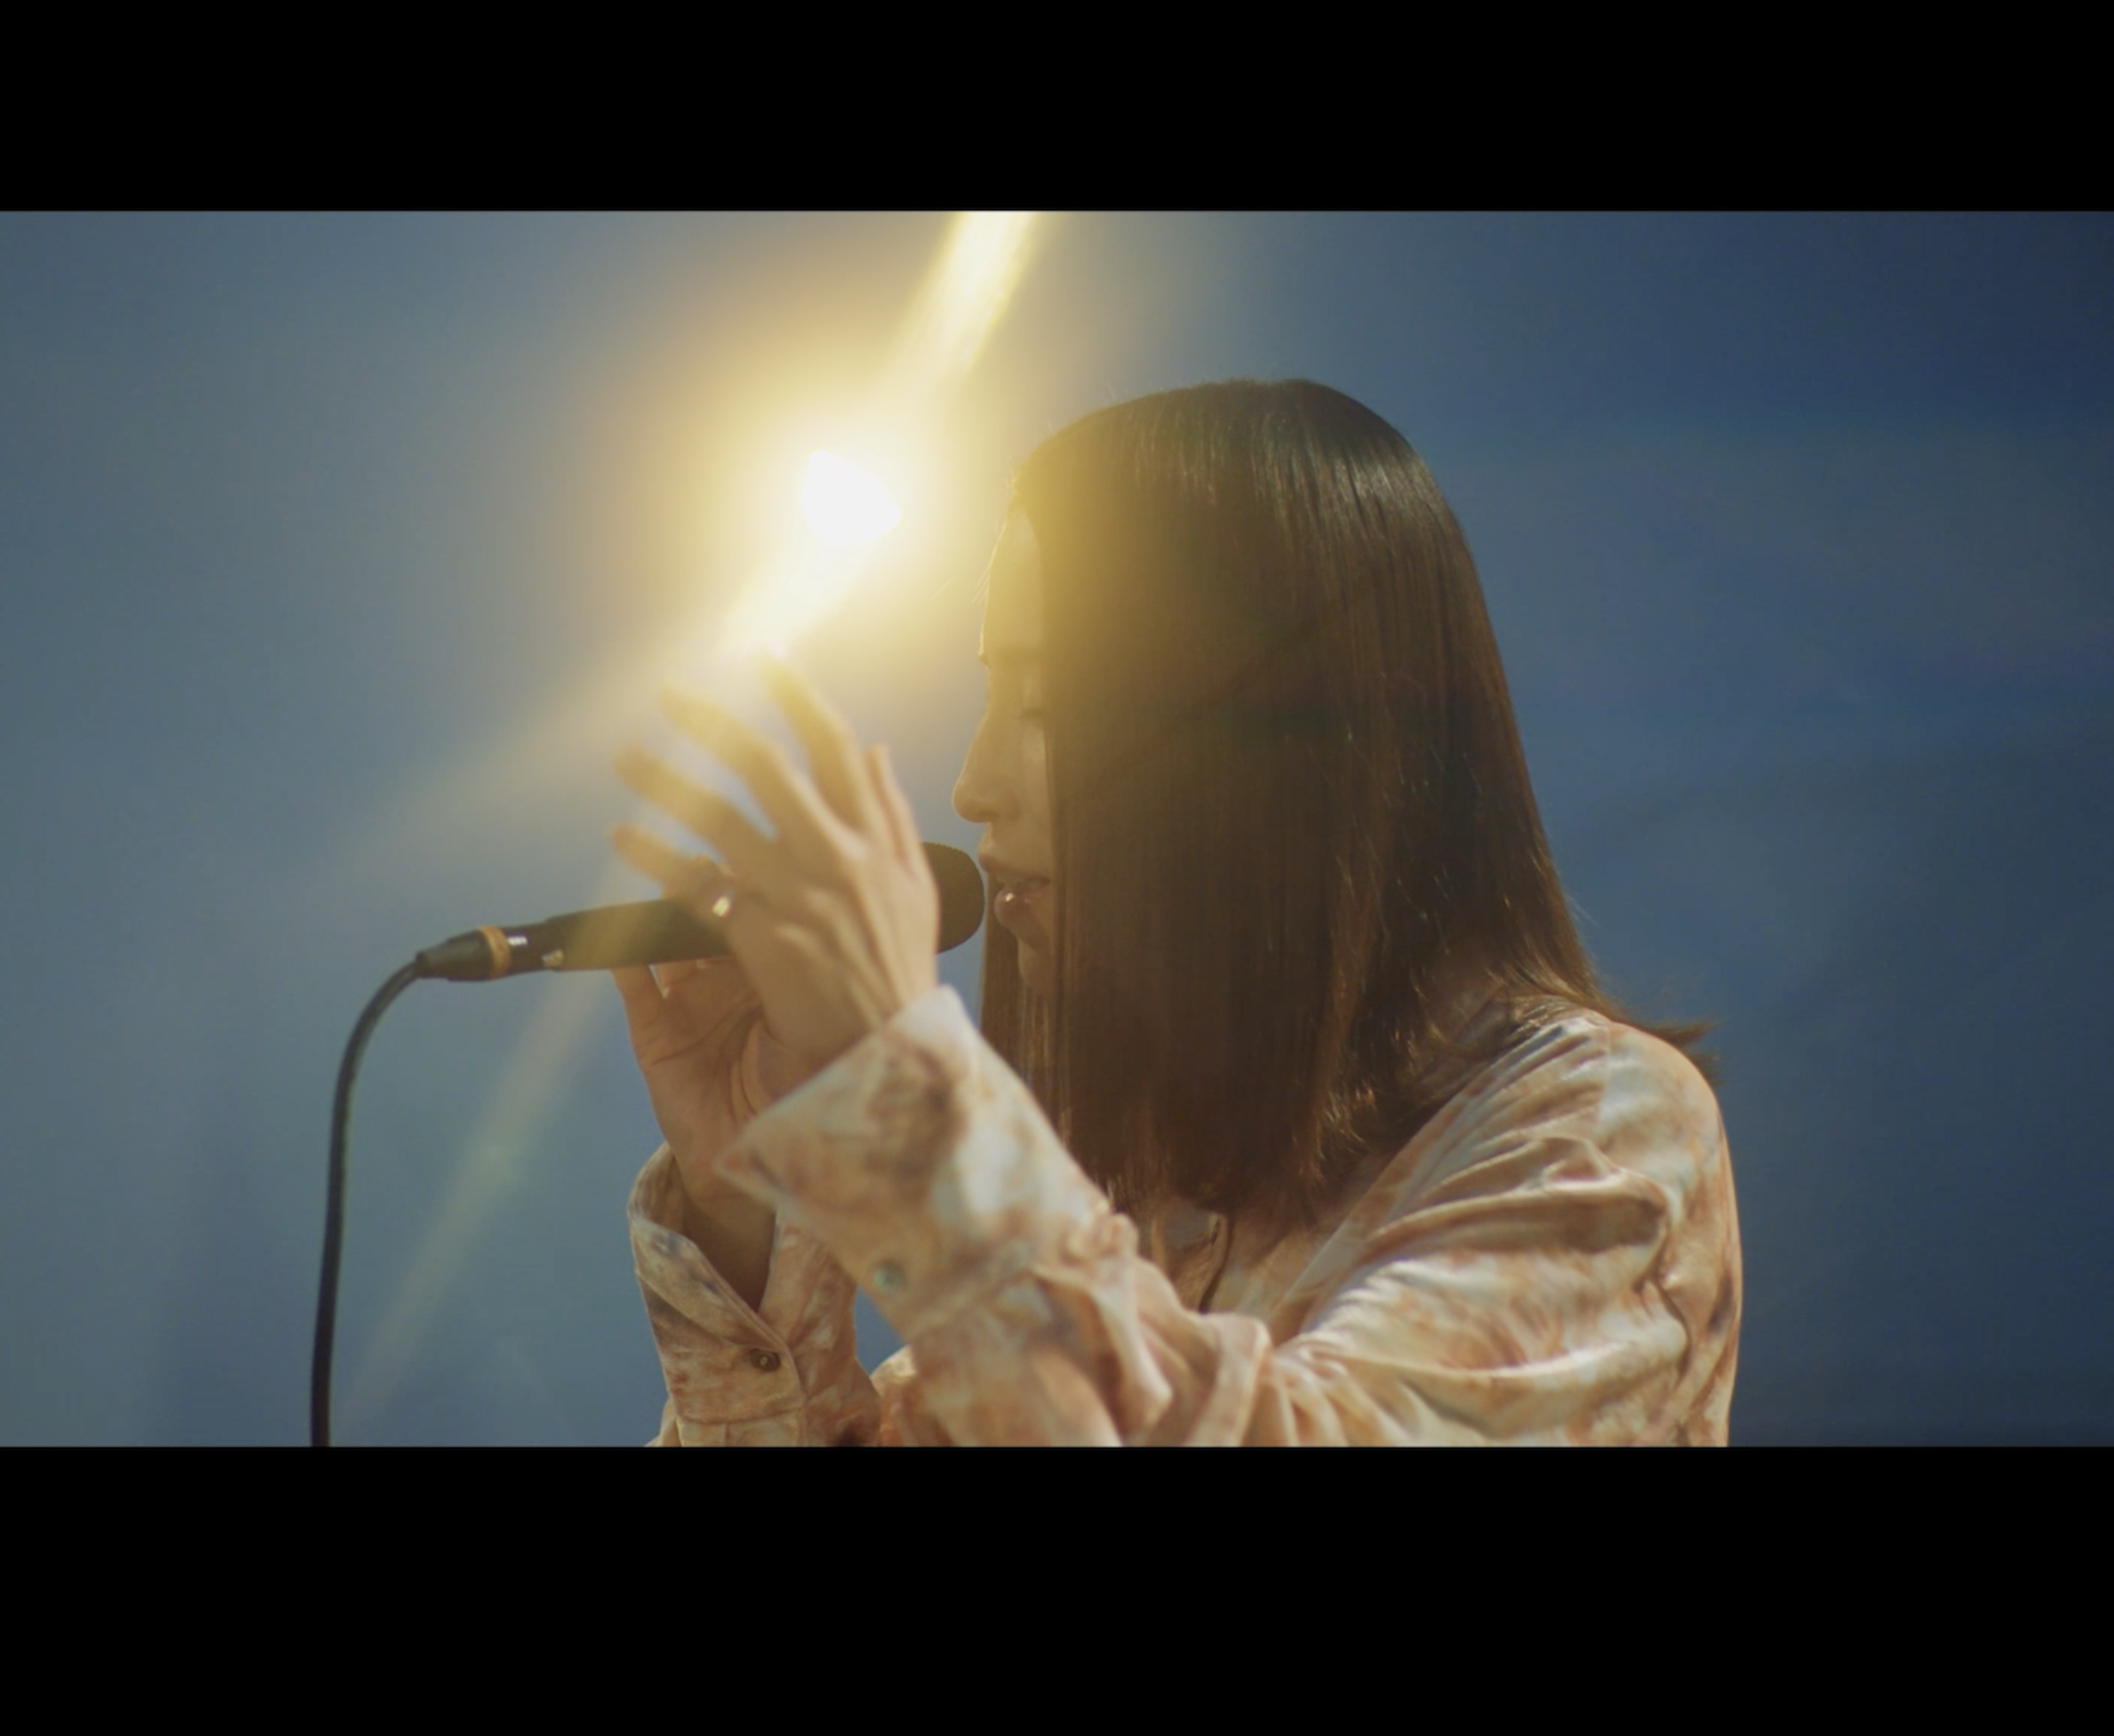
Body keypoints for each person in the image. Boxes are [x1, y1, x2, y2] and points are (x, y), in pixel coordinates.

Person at [605, 379, 1741, 1445]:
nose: (973, 784)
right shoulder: (1131, 1218)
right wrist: (737, 1209)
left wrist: (905, 1094)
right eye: (991, 696)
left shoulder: (1591, 1137)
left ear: (1278, 744)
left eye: (1047, 706)